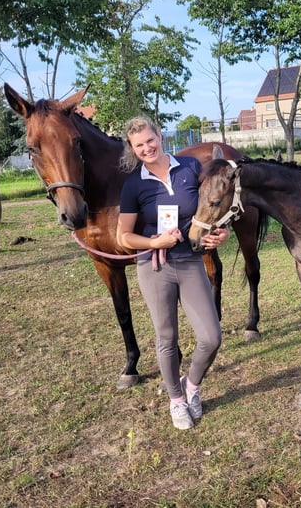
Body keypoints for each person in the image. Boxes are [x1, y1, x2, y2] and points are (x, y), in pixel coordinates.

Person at [116, 116, 228, 430]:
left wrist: (222, 233)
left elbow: (213, 209)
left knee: (211, 336)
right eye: (139, 145)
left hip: (191, 261)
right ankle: (176, 400)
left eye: (150, 140)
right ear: (133, 149)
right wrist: (155, 240)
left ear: (160, 136)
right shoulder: (133, 184)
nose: (146, 148)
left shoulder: (191, 168)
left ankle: (192, 387)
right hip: (154, 267)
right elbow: (123, 236)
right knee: (167, 338)